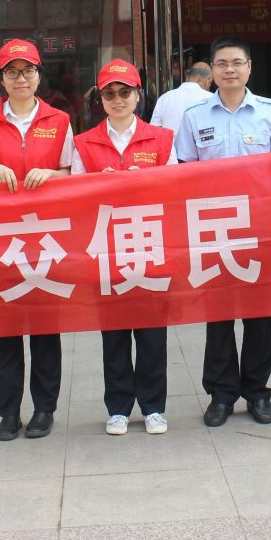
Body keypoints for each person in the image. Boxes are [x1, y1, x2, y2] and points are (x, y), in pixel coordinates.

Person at [176, 35, 271, 427]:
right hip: (214, 229)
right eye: (222, 64)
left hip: (260, 227)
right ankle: (221, 395)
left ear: (249, 68)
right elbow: (184, 174)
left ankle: (257, 392)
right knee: (219, 318)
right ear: (211, 70)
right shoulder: (194, 116)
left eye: (237, 63)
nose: (229, 70)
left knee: (259, 317)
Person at [0, 39, 73, 441]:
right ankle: (8, 412)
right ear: (2, 79)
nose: (20, 78)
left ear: (39, 76)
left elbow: (73, 172)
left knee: (45, 331)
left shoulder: (59, 120)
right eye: (12, 72)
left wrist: (53, 175)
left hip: (46, 240)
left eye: (28, 71)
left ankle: (44, 409)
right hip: (0, 243)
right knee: (6, 333)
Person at [71, 59, 175, 436]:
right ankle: (117, 407)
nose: (117, 99)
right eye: (109, 93)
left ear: (138, 95)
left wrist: (145, 181)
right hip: (106, 248)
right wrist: (97, 185)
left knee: (152, 333)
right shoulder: (83, 143)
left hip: (149, 244)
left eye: (125, 92)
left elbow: (176, 188)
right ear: (100, 99)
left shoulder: (161, 138)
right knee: (113, 333)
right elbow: (73, 196)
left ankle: (153, 407)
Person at [148, 61, 212, 133]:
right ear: (208, 81)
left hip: (169, 140)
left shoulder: (164, 98)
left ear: (187, 77)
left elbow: (153, 130)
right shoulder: (212, 99)